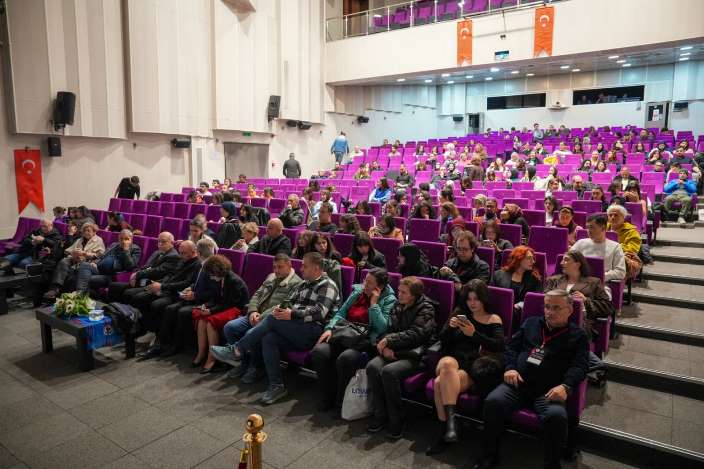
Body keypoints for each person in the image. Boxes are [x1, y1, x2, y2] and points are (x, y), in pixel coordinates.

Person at [476, 290, 589, 469]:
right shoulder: (531, 323)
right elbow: (511, 348)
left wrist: (566, 386)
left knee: (556, 416)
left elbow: (580, 366)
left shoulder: (578, 336)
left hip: (548, 391)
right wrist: (510, 368)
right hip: (518, 383)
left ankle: (552, 464)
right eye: (547, 306)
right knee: (493, 402)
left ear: (569, 310)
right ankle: (489, 456)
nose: (550, 311)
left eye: (556, 308)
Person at [233, 252, 341, 404]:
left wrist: (292, 314)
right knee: (269, 338)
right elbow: (288, 302)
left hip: (313, 332)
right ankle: (276, 385)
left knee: (272, 319)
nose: (301, 269)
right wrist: (281, 309)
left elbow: (320, 312)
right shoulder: (303, 284)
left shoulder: (327, 285)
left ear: (316, 268)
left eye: (305, 266)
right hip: (296, 328)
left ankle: (238, 348)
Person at [427, 280, 505, 455]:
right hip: (451, 358)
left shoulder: (493, 319)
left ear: (484, 299)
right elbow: (442, 339)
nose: (472, 303)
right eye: (469, 299)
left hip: (470, 366)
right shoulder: (460, 313)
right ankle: (452, 424)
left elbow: (499, 346)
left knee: (439, 383)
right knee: (447, 365)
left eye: (476, 299)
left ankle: (445, 430)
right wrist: (450, 328)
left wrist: (474, 334)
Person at [311, 268, 396, 413]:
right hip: (344, 332)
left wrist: (374, 304)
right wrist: (330, 328)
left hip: (364, 339)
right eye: (365, 280)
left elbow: (382, 327)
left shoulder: (389, 299)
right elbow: (341, 313)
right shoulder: (357, 292)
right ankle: (327, 396)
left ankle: (341, 402)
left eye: (369, 283)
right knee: (319, 351)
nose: (364, 285)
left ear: (379, 287)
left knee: (346, 358)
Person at [211, 254, 303, 381]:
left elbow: (283, 305)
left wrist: (261, 317)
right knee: (230, 327)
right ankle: (244, 363)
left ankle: (257, 367)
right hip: (255, 315)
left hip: (271, 320)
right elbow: (257, 295)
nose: (276, 270)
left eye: (280, 267)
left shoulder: (297, 283)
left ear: (289, 265)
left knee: (251, 332)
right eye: (274, 267)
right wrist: (253, 311)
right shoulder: (271, 277)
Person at [366, 276, 436, 439]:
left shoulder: (426, 308)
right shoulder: (398, 305)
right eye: (399, 291)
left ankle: (397, 418)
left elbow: (417, 335)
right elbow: (388, 329)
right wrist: (385, 347)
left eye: (404, 292)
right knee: (372, 367)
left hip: (415, 355)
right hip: (395, 349)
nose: (399, 294)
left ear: (414, 295)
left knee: (389, 372)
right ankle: (380, 413)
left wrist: (390, 342)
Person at [139, 238, 220, 359]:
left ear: (198, 252)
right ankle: (161, 343)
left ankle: (174, 345)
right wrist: (190, 288)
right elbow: (195, 283)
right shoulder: (203, 264)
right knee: (169, 308)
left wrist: (195, 294)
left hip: (206, 302)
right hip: (192, 295)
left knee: (177, 310)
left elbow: (215, 292)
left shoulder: (211, 267)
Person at [127, 241, 201, 340]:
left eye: (183, 253)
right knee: (139, 297)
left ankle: (155, 332)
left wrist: (162, 286)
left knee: (156, 304)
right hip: (167, 288)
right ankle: (143, 328)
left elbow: (185, 284)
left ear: (193, 252)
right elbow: (171, 275)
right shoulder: (182, 260)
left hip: (177, 293)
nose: (180, 255)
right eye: (180, 252)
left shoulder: (197, 264)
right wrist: (158, 284)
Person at [191, 255, 249, 373]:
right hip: (224, 306)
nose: (211, 277)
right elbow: (216, 298)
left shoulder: (234, 281)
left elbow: (230, 304)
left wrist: (211, 311)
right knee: (201, 319)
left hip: (236, 309)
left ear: (219, 271)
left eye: (212, 274)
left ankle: (211, 358)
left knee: (210, 322)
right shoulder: (219, 279)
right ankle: (201, 353)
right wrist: (206, 306)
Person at [544, 251, 614, 343]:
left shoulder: (594, 282)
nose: (561, 263)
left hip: (580, 324)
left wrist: (586, 300)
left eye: (566, 260)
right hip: (552, 321)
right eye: (562, 260)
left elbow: (607, 307)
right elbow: (542, 300)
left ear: (577, 264)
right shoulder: (553, 280)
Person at [43, 223, 105, 300]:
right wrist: (74, 253)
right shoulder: (80, 239)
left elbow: (100, 255)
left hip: (88, 263)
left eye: (88, 231)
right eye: (84, 231)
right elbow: (67, 251)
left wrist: (85, 254)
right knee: (64, 261)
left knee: (72, 270)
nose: (86, 232)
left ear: (94, 232)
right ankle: (55, 289)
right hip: (75, 259)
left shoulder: (99, 240)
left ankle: (68, 296)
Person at [75, 229, 142, 293]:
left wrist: (126, 251)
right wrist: (95, 262)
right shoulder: (114, 245)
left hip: (111, 275)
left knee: (85, 277)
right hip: (98, 269)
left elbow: (130, 266)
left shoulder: (136, 249)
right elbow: (103, 256)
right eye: (121, 239)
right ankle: (81, 293)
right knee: (84, 265)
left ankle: (80, 293)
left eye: (126, 239)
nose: (123, 241)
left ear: (131, 239)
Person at [606, 205, 642, 279]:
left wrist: (615, 247)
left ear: (623, 217)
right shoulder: (603, 228)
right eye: (610, 215)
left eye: (616, 215)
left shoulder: (632, 231)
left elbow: (632, 250)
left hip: (621, 257)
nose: (612, 217)